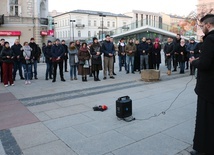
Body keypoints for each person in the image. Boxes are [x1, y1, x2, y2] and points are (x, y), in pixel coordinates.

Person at [189, 14, 214, 155]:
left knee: (205, 119)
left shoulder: (210, 39)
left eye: (202, 25)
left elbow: (204, 64)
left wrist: (194, 62)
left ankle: (203, 148)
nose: (202, 28)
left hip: (208, 88)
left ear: (208, 25)